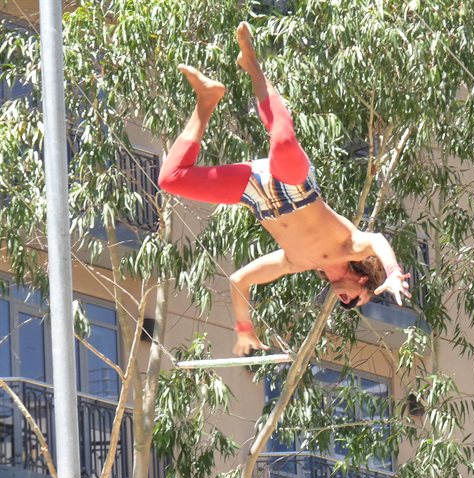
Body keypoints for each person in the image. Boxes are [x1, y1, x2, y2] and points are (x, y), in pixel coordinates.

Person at [159, 22, 411, 356]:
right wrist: (392, 274)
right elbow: (377, 239)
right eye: (355, 301)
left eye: (347, 305)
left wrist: (244, 328)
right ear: (364, 281)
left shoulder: (295, 262)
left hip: (256, 194)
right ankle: (253, 66)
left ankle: (207, 99)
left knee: (171, 178)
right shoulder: (351, 247)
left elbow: (239, 280)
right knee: (283, 139)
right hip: (296, 187)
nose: (346, 301)